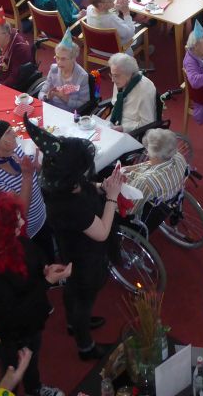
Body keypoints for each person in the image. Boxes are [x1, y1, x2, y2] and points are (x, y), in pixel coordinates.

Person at [0, 190, 71, 396]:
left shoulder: (16, 241)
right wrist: (47, 282)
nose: (22, 222)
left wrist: (45, 270)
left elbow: (34, 258)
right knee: (12, 369)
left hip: (31, 320)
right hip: (7, 333)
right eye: (15, 221)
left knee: (32, 357)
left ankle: (34, 389)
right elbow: (12, 312)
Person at [41, 136, 126, 360]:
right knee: (84, 298)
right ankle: (85, 346)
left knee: (73, 290)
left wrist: (102, 187)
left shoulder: (58, 182)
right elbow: (102, 232)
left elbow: (83, 186)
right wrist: (112, 197)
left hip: (73, 249)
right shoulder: (69, 205)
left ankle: (73, 323)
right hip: (84, 256)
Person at [0, 120, 53, 260]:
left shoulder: (17, 150)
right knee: (42, 264)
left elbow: (36, 173)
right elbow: (20, 212)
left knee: (50, 253)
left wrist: (38, 168)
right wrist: (27, 176)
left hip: (42, 216)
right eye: (8, 132)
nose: (14, 134)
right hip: (27, 235)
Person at [122, 129, 188, 226]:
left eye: (147, 151)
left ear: (155, 156)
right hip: (172, 193)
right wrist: (129, 168)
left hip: (148, 207)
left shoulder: (146, 182)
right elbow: (151, 163)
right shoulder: (178, 156)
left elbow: (129, 210)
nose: (147, 153)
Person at [39, 33, 91, 113]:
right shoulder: (54, 69)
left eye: (63, 59)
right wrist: (46, 97)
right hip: (51, 109)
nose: (59, 62)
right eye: (57, 57)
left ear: (73, 59)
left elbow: (84, 104)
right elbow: (42, 92)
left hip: (68, 114)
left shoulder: (82, 76)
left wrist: (67, 99)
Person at [109, 52, 157, 133]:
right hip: (114, 122)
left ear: (129, 74)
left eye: (116, 76)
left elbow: (147, 123)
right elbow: (115, 103)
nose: (112, 80)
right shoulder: (119, 80)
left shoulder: (144, 90)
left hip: (133, 131)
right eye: (111, 75)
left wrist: (123, 128)